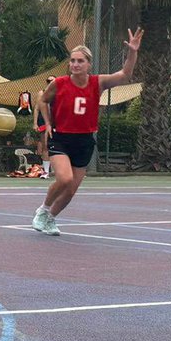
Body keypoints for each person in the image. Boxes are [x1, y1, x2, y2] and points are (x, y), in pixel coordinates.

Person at [33, 31, 142, 236]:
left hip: (84, 140)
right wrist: (47, 123)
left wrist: (132, 53)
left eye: (80, 61)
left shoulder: (97, 83)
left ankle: (51, 219)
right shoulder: (59, 83)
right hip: (61, 138)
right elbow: (43, 101)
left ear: (88, 64)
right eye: (73, 61)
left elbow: (125, 74)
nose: (75, 64)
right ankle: (43, 209)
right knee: (64, 179)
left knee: (71, 190)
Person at [34, 75, 54, 178]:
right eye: (48, 80)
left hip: (58, 124)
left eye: (52, 80)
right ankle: (46, 171)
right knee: (46, 145)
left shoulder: (60, 93)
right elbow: (37, 108)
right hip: (44, 124)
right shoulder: (41, 93)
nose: (50, 82)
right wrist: (35, 123)